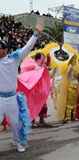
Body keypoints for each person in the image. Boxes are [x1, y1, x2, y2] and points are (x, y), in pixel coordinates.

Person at [0, 22, 43, 152]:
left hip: (12, 98)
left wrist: (36, 33)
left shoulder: (14, 59)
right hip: (0, 98)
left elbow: (28, 47)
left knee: (16, 123)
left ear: (5, 49)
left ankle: (16, 143)